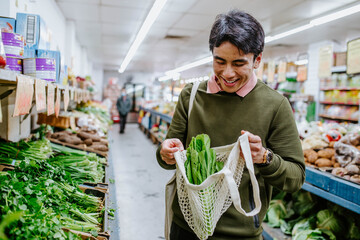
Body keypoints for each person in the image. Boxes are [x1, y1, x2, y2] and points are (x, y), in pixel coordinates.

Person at [156, 9, 305, 240]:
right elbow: (166, 157)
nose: (227, 73)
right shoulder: (192, 95)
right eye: (220, 61)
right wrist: (166, 152)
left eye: (238, 63)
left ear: (257, 60)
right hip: (185, 227)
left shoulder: (275, 105)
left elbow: (295, 178)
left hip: (239, 233)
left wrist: (264, 158)